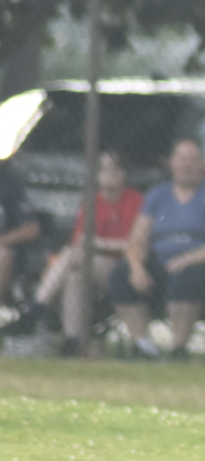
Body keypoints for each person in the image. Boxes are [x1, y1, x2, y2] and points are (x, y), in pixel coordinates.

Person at [109, 137, 205, 359]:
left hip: (198, 264)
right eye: (181, 159)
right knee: (120, 277)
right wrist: (136, 267)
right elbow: (137, 239)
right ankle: (143, 345)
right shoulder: (157, 195)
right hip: (160, 261)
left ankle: (178, 347)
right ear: (171, 163)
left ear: (202, 164)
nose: (187, 165)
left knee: (187, 279)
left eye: (193, 159)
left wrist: (187, 259)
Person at [3, 150, 142, 355]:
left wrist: (100, 243)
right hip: (90, 264)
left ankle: (35, 310)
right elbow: (80, 241)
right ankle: (72, 342)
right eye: (104, 168)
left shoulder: (135, 200)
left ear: (125, 174)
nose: (110, 174)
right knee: (74, 276)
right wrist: (102, 244)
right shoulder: (93, 202)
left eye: (116, 169)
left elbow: (133, 244)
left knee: (71, 255)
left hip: (124, 267)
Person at [0, 157, 40, 307]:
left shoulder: (8, 184)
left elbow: (32, 229)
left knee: (3, 254)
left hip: (5, 249)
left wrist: (2, 241)